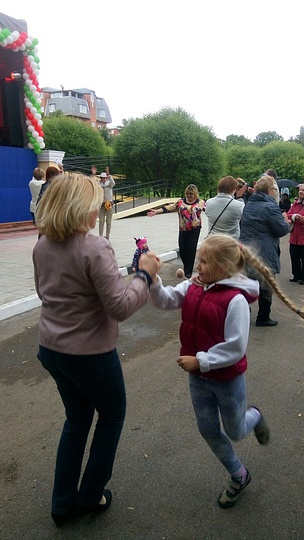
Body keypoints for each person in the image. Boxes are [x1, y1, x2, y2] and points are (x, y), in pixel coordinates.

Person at [33, 173, 160, 527]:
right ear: (78, 207)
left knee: (76, 419)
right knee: (112, 414)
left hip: (52, 349)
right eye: (95, 203)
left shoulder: (42, 244)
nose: (100, 208)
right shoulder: (94, 247)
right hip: (90, 354)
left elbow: (47, 294)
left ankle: (62, 504)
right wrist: (144, 275)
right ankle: (90, 496)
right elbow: (119, 306)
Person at [149, 234, 304, 509]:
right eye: (199, 260)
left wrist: (200, 361)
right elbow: (166, 300)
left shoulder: (236, 301)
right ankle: (239, 475)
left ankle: (254, 416)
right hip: (199, 380)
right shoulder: (195, 285)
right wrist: (154, 280)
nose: (198, 266)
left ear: (224, 267)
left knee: (235, 431)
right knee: (208, 430)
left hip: (227, 380)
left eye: (204, 261)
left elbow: (235, 347)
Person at [240, 175, 290, 326]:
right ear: (270, 191)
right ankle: (263, 317)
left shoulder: (249, 204)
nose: (276, 192)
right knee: (266, 285)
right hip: (265, 251)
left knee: (248, 282)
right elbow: (281, 230)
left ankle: (242, 312)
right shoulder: (270, 207)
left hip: (248, 250)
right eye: (275, 189)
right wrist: (286, 220)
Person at [147, 184, 205, 278]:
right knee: (182, 249)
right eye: (188, 194)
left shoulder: (200, 202)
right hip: (183, 229)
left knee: (191, 249)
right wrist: (156, 212)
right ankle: (187, 267)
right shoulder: (180, 202)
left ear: (195, 194)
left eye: (191, 194)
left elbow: (210, 210)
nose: (189, 196)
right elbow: (169, 207)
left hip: (195, 229)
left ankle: (188, 271)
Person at [287, 183, 304, 284]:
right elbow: (289, 214)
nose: (301, 192)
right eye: (300, 190)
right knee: (294, 257)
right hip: (294, 236)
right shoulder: (295, 204)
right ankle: (296, 275)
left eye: (303, 190)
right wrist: (294, 216)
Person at [99, 170, 115, 238]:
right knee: (101, 221)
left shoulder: (109, 184)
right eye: (103, 178)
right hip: (101, 205)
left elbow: (113, 183)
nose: (104, 179)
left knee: (108, 221)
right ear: (101, 178)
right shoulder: (98, 185)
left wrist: (109, 176)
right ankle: (100, 236)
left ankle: (107, 235)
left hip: (109, 204)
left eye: (105, 178)